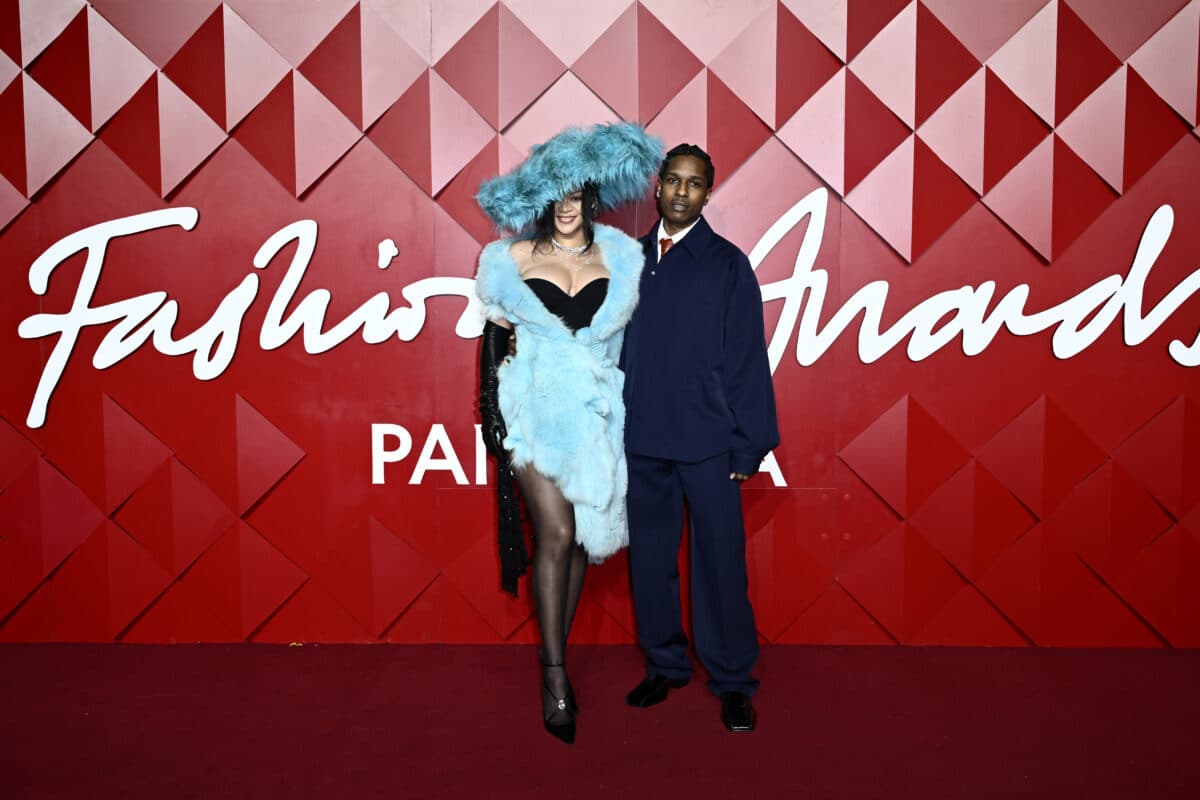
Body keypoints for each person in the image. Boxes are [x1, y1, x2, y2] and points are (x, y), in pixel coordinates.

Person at [474, 122, 663, 745]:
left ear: (590, 198)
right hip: (531, 412)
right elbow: (494, 344)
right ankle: (554, 674)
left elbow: (629, 348)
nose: (566, 206)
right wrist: (496, 423)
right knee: (554, 531)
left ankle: (556, 647)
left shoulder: (623, 259)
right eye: (554, 196)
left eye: (575, 194)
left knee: (580, 539)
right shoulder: (510, 259)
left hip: (594, 417)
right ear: (542, 201)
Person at [620, 144, 779, 733]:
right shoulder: (628, 260)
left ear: (708, 194)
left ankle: (733, 680)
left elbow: (746, 360)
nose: (683, 192)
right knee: (652, 563)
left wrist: (748, 443)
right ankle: (665, 664)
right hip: (643, 441)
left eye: (695, 184)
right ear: (658, 187)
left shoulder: (728, 265)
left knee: (720, 566)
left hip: (711, 443)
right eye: (674, 181)